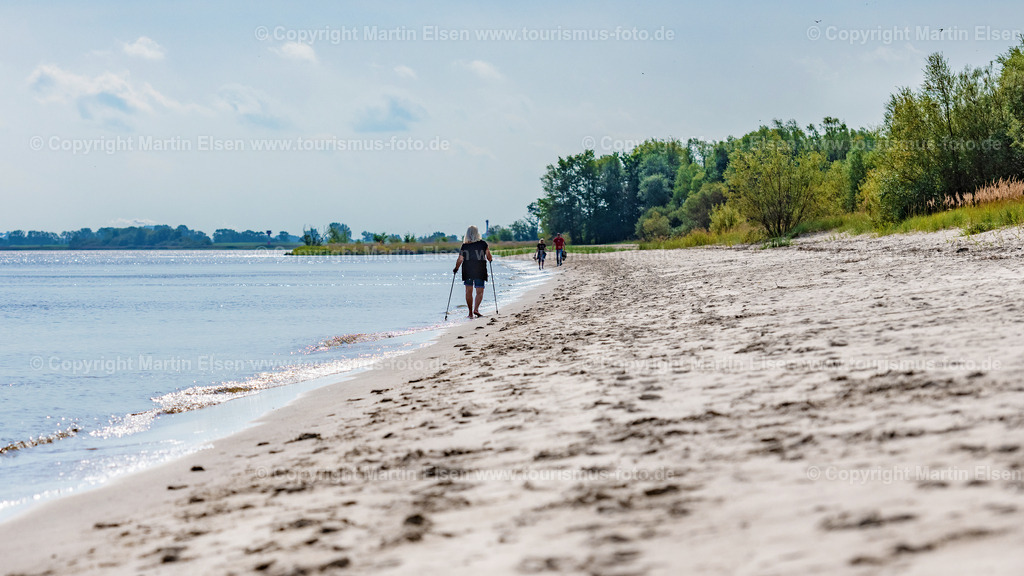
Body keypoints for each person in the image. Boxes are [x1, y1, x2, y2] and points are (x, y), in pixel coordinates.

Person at [453, 225, 493, 319]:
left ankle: (470, 313)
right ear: (477, 233)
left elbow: (460, 259)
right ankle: (476, 309)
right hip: (480, 269)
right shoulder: (483, 244)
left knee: (468, 291)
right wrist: (490, 260)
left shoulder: (465, 245)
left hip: (468, 270)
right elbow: (489, 256)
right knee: (479, 291)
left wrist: (456, 268)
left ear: (467, 234)